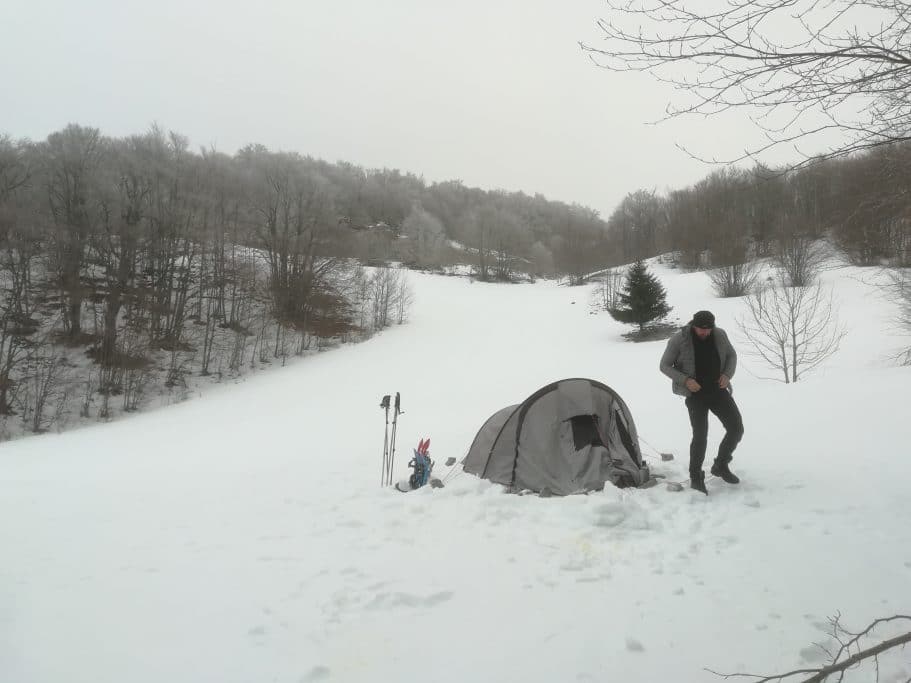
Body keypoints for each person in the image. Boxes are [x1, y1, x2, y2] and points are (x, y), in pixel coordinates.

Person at [659, 310, 744, 494]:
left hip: (718, 390)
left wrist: (727, 375)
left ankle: (721, 464)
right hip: (695, 395)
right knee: (700, 436)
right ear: (693, 325)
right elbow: (664, 365)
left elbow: (731, 356)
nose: (705, 333)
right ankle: (696, 477)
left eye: (708, 329)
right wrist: (686, 380)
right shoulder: (679, 339)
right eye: (701, 329)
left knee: (736, 428)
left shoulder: (719, 334)